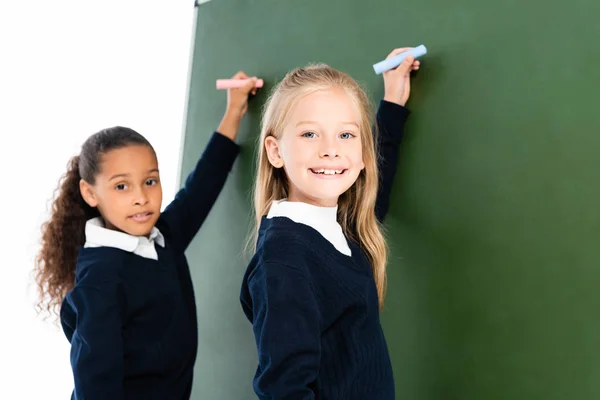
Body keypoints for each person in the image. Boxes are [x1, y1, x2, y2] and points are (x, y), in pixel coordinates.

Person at [34, 72, 259, 399]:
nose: (141, 196)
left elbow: (201, 188)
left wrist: (235, 110)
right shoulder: (100, 282)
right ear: (90, 192)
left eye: (150, 181)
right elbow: (96, 388)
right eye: (122, 186)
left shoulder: (162, 238)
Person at [240, 49, 421, 399]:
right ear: (275, 152)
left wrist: (394, 101)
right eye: (310, 135)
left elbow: (373, 197)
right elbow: (284, 390)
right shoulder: (285, 259)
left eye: (346, 135)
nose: (331, 151)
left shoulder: (335, 229)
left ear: (364, 152)